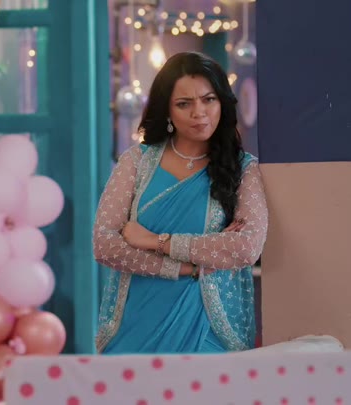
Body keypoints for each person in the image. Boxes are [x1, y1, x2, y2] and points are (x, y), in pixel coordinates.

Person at [93, 52, 268, 354]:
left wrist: (154, 241)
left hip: (209, 328)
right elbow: (105, 245)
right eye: (184, 104)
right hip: (137, 324)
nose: (199, 112)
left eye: (208, 99)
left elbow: (246, 247)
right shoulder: (137, 162)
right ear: (167, 111)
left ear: (222, 103)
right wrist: (187, 268)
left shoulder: (243, 169)